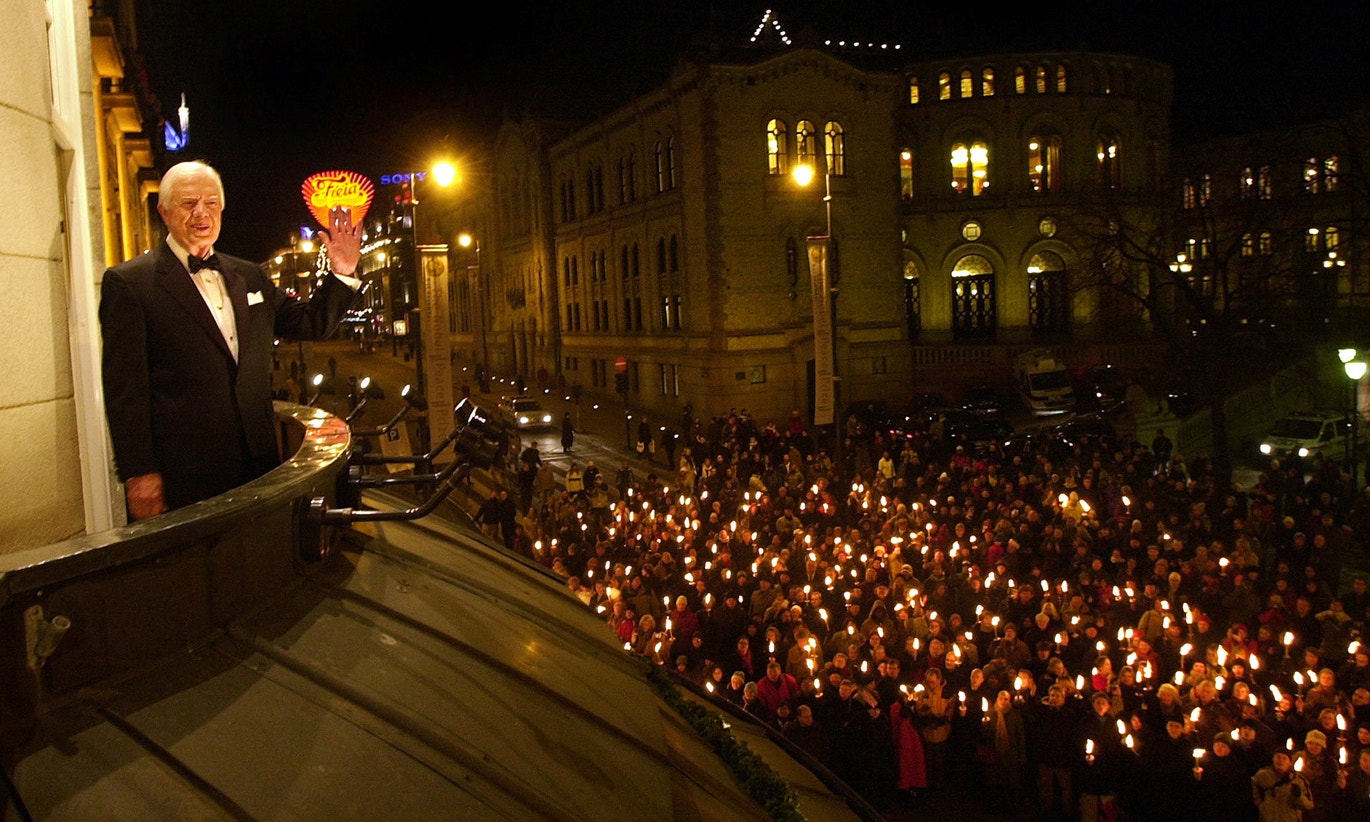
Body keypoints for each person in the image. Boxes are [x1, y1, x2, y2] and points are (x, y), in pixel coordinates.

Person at [100, 160, 361, 519]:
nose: (201, 213)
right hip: (184, 473)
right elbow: (124, 390)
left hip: (258, 462)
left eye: (210, 202)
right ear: (164, 211)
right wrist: (139, 474)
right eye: (188, 203)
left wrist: (342, 273)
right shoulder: (130, 284)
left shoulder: (249, 275)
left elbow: (308, 324)